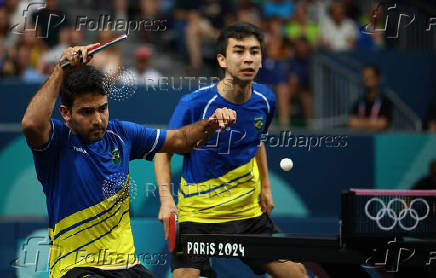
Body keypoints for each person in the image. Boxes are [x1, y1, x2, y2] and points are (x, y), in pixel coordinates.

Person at [21, 44, 236, 278]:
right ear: (65, 113)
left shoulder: (121, 134)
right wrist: (61, 69)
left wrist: (213, 123)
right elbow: (32, 124)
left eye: (102, 108)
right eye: (86, 112)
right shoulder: (56, 142)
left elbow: (181, 140)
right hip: (76, 269)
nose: (98, 119)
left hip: (127, 267)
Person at [154, 22, 308, 278]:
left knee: (297, 274)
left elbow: (257, 142)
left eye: (254, 51)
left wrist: (266, 187)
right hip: (198, 214)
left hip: (247, 214)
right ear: (222, 60)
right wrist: (166, 199)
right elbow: (163, 153)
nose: (248, 58)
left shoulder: (266, 100)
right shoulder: (194, 104)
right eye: (239, 51)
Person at [348, 65, 392, 131]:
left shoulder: (385, 101)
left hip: (380, 139)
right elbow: (352, 122)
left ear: (378, 78)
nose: (367, 80)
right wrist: (373, 123)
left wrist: (360, 123)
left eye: (370, 77)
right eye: (365, 77)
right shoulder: (358, 102)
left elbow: (382, 123)